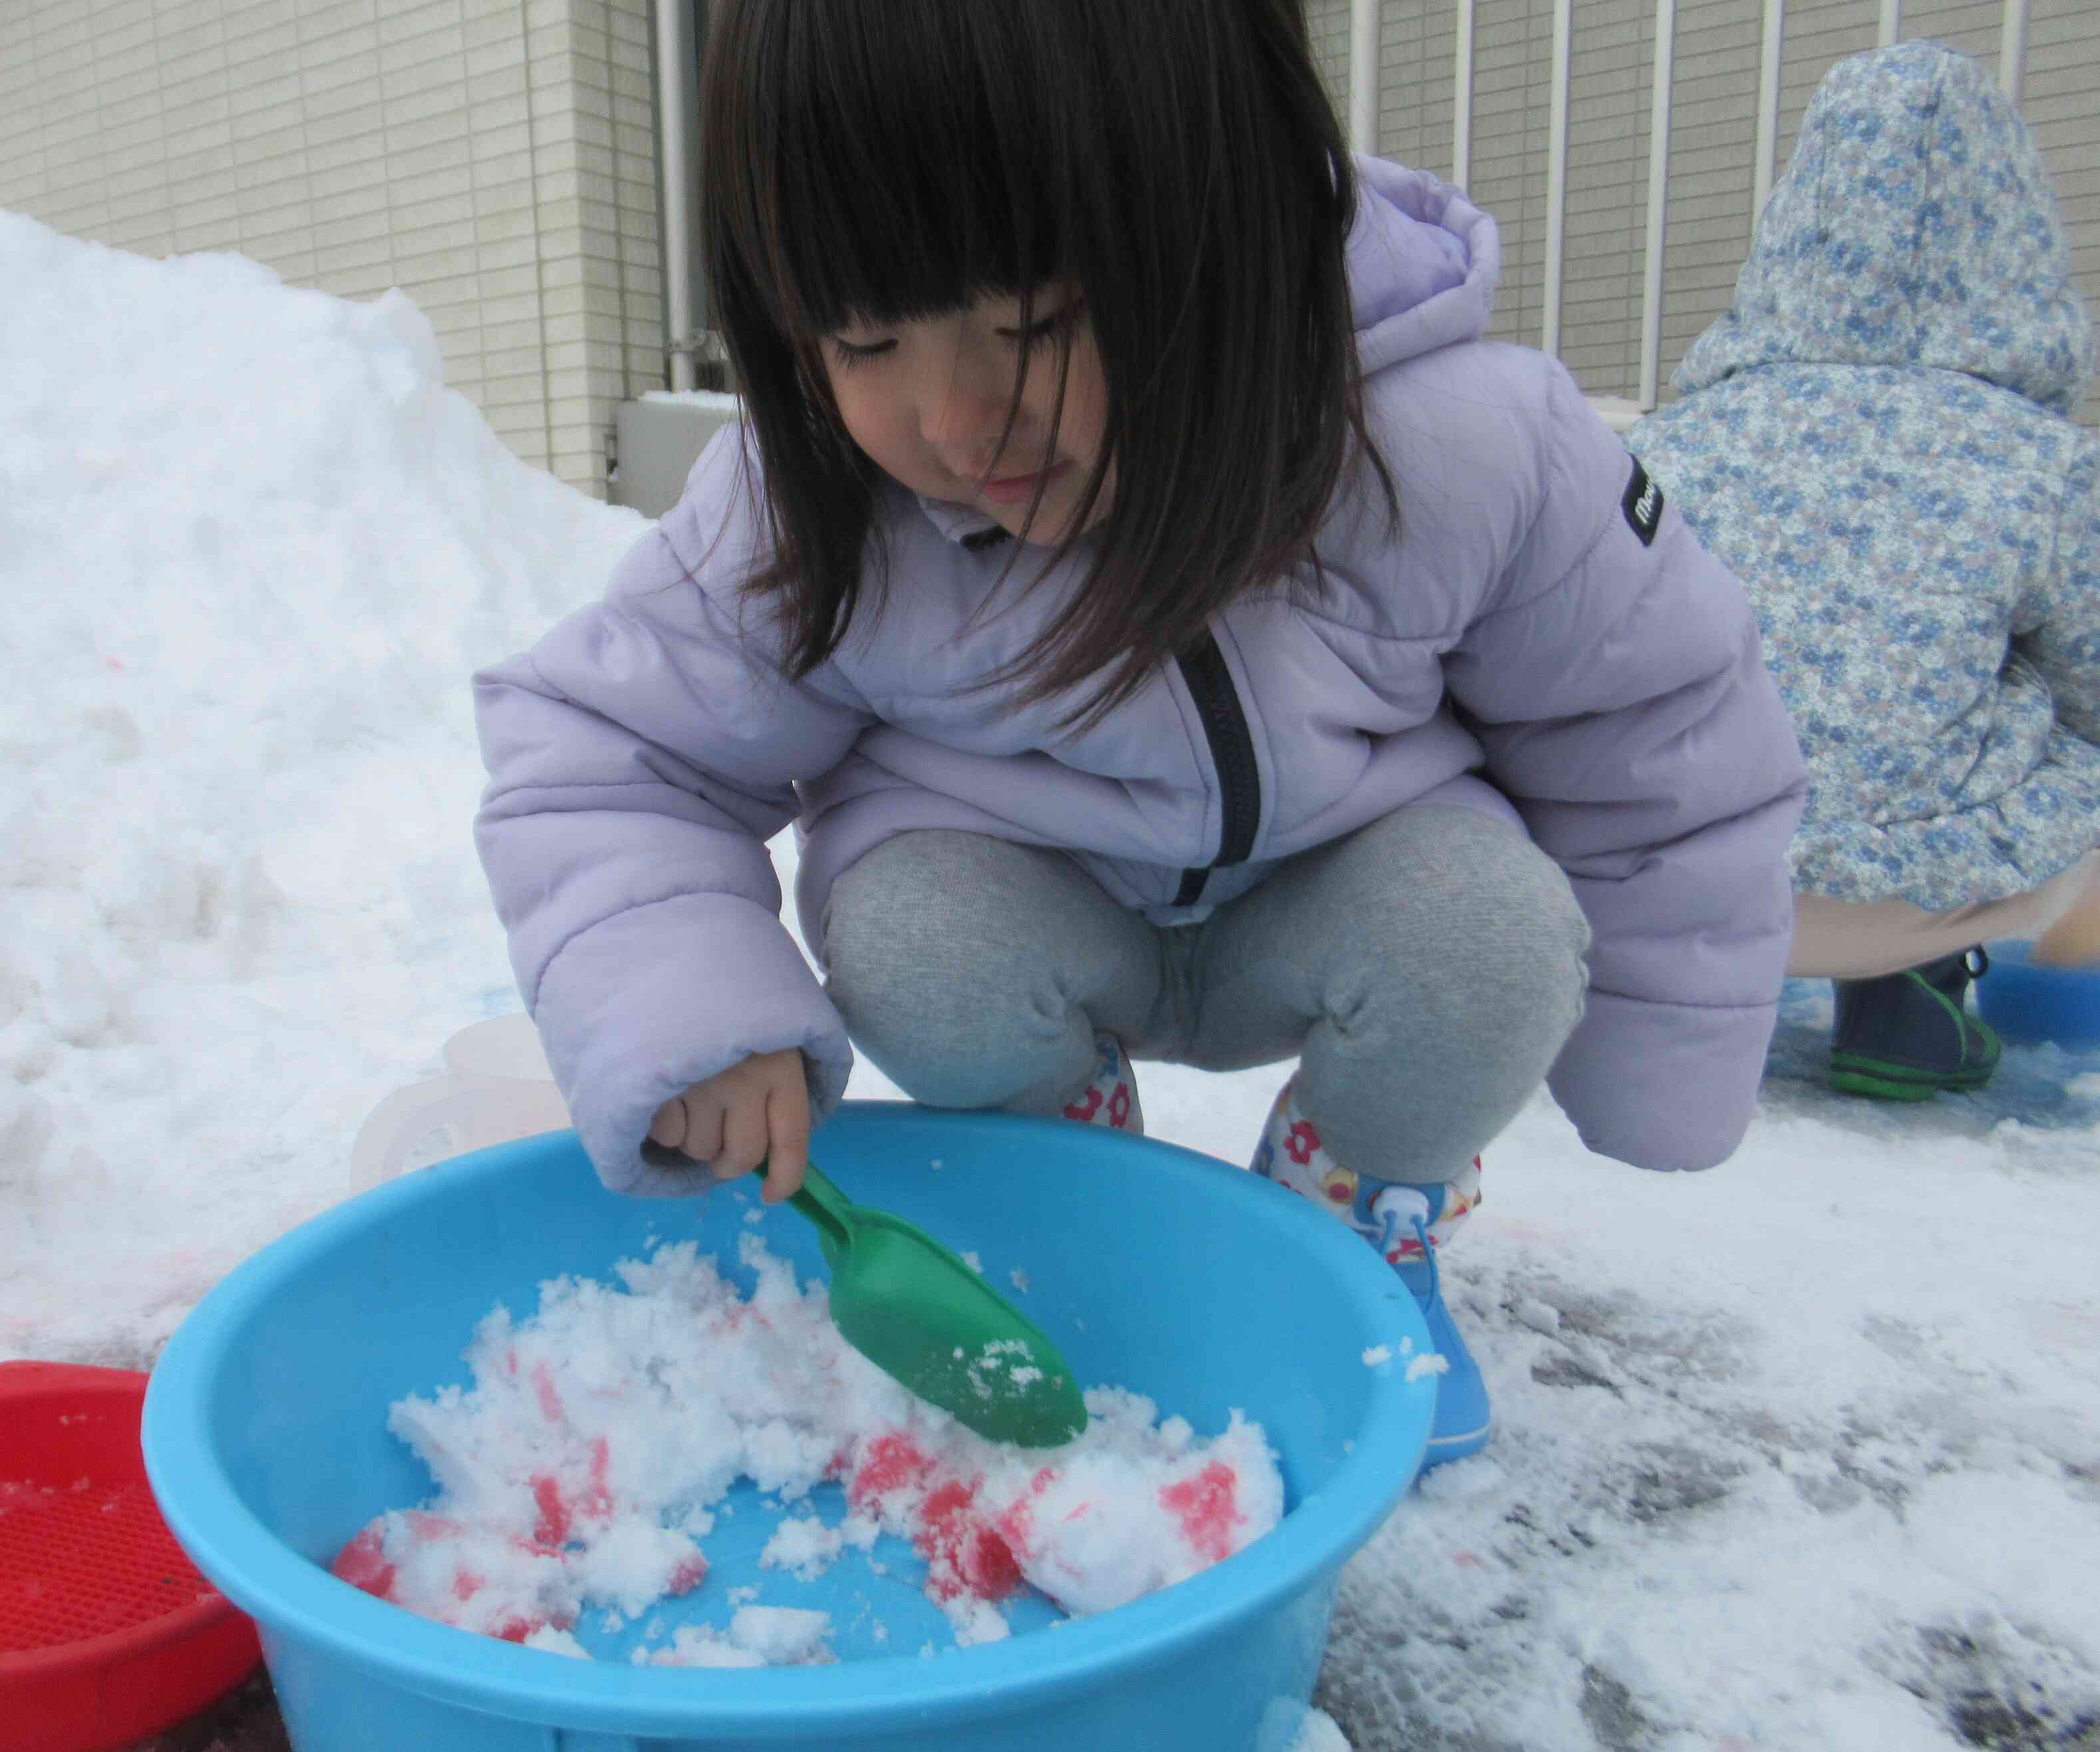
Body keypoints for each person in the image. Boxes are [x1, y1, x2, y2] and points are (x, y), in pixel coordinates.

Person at [472, 0, 1806, 1471]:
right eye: (862, 340)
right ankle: (1091, 1204)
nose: (954, 415)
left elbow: (1655, 726)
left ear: (1225, 220)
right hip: (1034, 922)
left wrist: (1662, 1056)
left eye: (1034, 321)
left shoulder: (1453, 444)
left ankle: (1347, 1241)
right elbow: (609, 752)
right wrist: (682, 1015)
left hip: (1339, 904)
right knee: (920, 936)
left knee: (1482, 934)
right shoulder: (810, 514)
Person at [1630, 41, 2100, 1103]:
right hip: (1913, 892)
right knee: (2055, 694)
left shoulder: (1677, 439)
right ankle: (1913, 997)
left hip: (1660, 875)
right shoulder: (2046, 462)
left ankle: (1656, 1002)